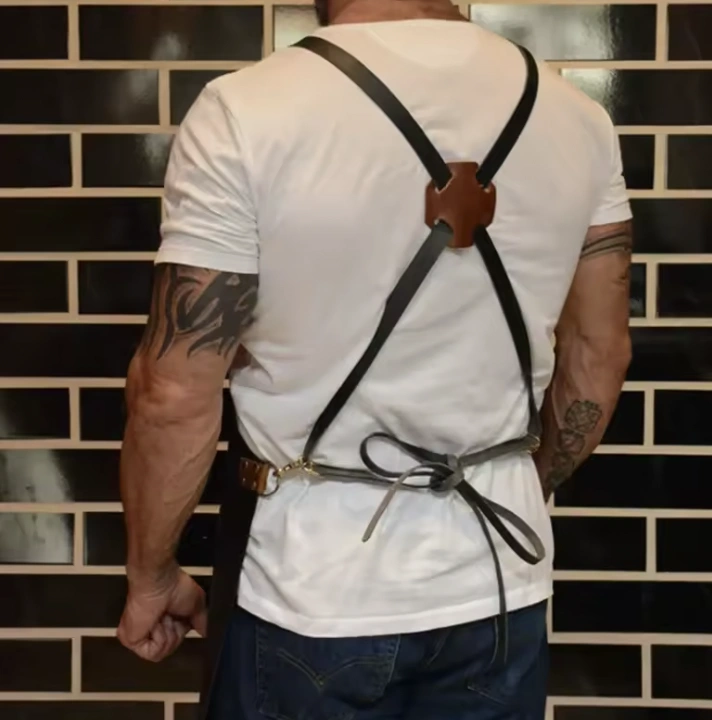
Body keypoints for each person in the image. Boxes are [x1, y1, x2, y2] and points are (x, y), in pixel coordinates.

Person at [116, 0, 632, 718]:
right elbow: (599, 353)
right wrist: (514, 482)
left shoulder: (247, 111)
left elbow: (172, 391)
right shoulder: (576, 117)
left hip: (311, 592)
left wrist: (151, 575)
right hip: (498, 591)